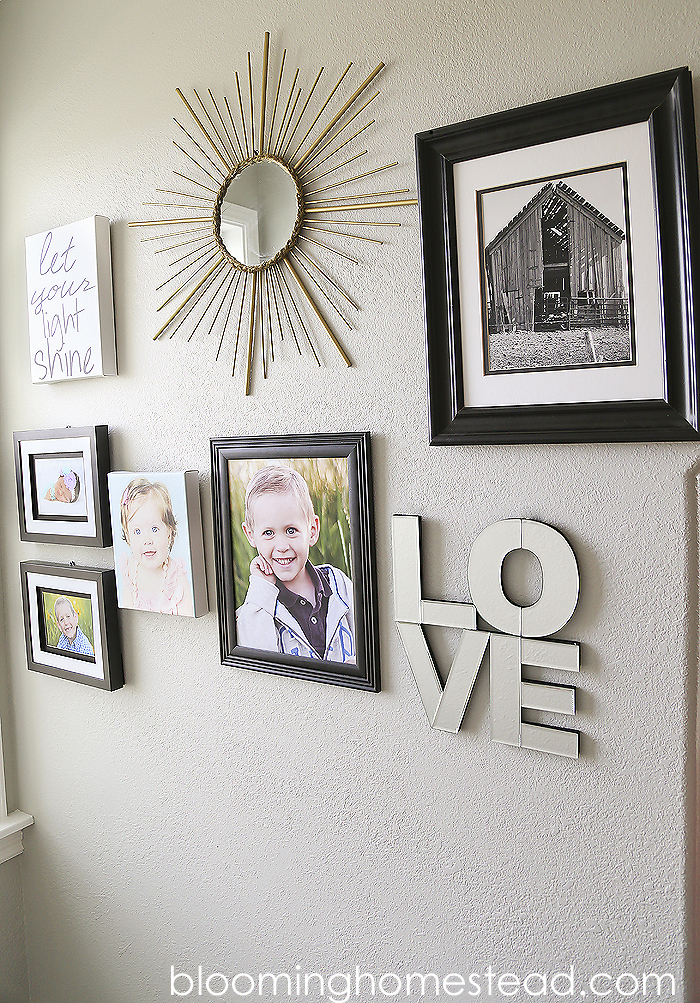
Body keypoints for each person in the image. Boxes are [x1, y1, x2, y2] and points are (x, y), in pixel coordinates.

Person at [236, 465, 355, 662]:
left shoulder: (339, 585)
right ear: (251, 535)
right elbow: (259, 667)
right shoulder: (257, 606)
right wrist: (261, 589)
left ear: (313, 530)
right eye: (268, 533)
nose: (282, 546)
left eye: (291, 530)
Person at [118, 478, 193, 616]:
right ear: (128, 537)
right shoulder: (130, 569)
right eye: (138, 531)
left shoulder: (176, 577)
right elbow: (128, 614)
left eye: (154, 529)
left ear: (169, 532)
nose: (147, 540)